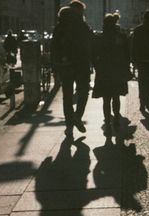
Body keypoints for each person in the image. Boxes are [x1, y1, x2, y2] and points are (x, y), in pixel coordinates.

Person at [50, 1, 93, 138]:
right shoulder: (82, 25)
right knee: (84, 92)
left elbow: (54, 47)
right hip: (81, 64)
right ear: (80, 11)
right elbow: (90, 44)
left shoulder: (60, 25)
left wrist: (54, 66)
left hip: (65, 65)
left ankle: (69, 126)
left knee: (67, 97)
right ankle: (77, 116)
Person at [92, 13, 130, 137]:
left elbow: (94, 55)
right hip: (117, 71)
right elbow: (127, 55)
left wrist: (97, 67)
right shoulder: (121, 37)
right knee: (116, 97)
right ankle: (116, 121)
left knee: (106, 100)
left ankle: (108, 123)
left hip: (104, 72)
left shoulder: (100, 37)